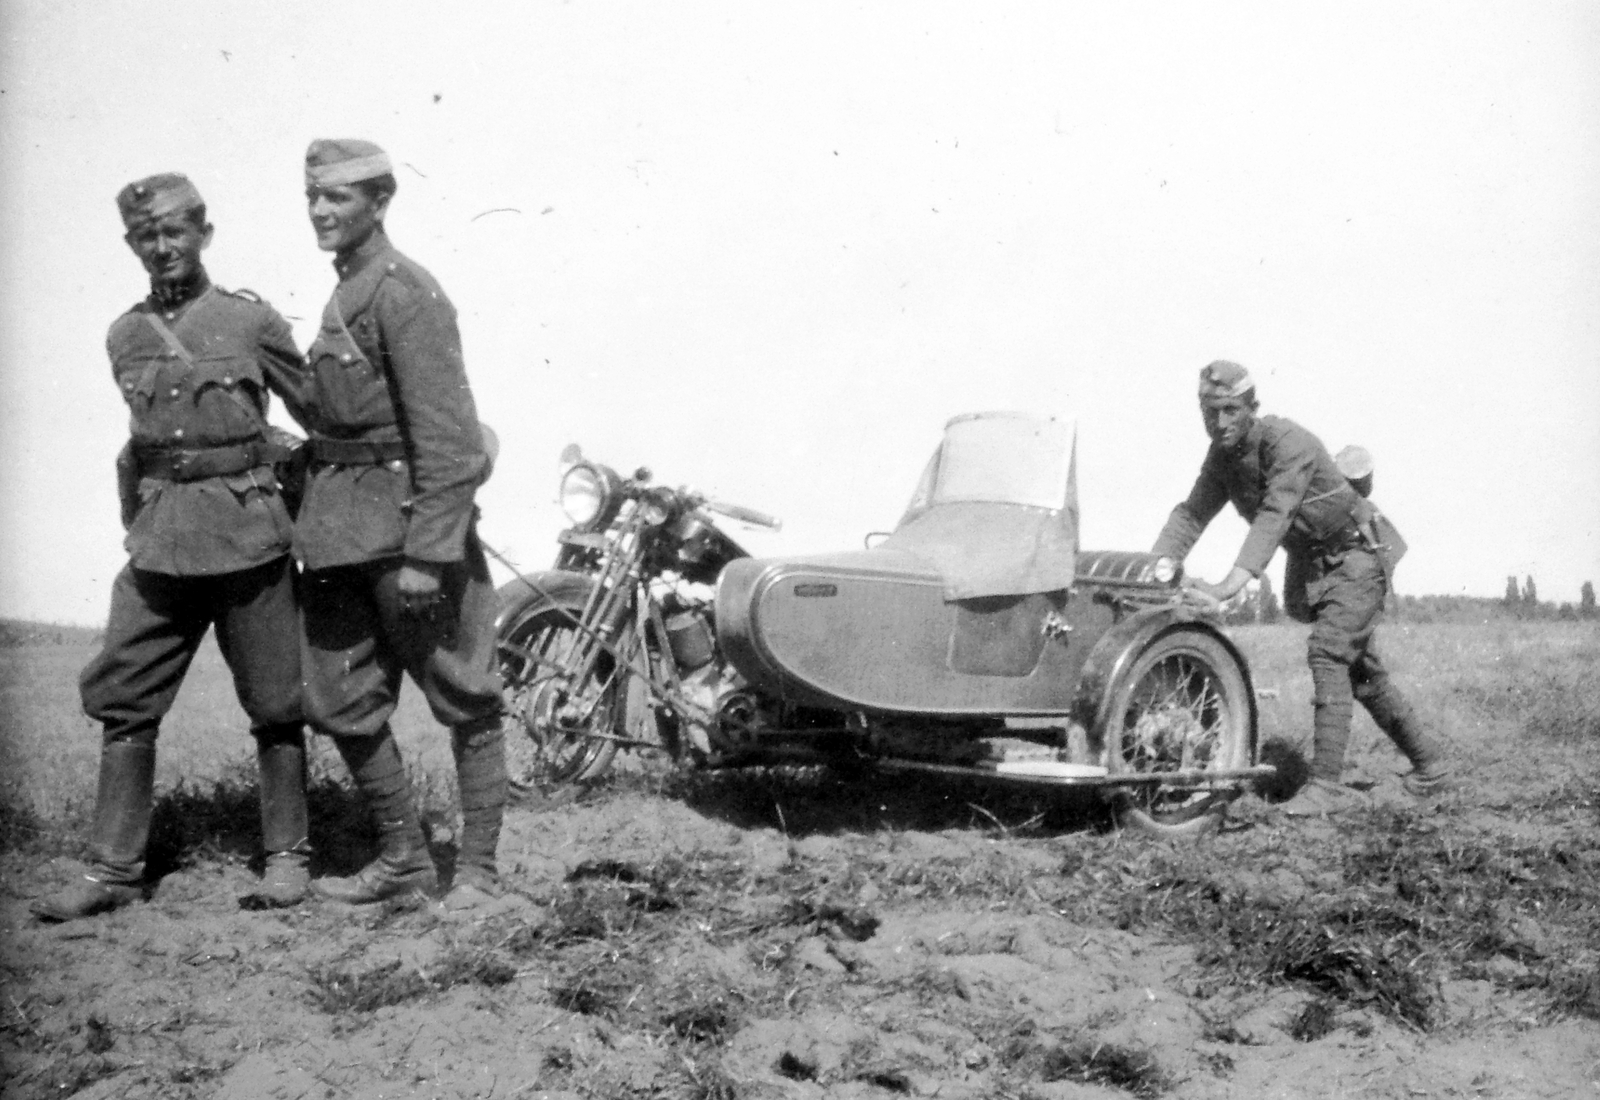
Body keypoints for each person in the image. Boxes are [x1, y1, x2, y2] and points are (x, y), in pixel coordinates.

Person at [33, 174, 311, 921]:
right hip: (161, 541)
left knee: (277, 703)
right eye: (146, 238)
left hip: (250, 537)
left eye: (176, 232)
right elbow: (141, 447)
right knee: (125, 697)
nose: (162, 248)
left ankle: (288, 856)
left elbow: (317, 409)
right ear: (132, 246)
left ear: (204, 234)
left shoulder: (250, 322)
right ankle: (113, 870)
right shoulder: (123, 334)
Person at [295, 139, 506, 909]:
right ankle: (406, 862)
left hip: (410, 539)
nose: (321, 210)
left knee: (463, 693)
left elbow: (451, 441)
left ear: (380, 202)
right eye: (313, 197)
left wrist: (427, 555)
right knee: (339, 700)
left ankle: (478, 874)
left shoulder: (404, 292)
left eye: (339, 198)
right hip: (340, 538)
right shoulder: (350, 292)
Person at [1151, 360, 1451, 817]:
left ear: (1252, 406)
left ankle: (1325, 786)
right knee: (1362, 673)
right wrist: (1157, 569)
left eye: (1231, 410)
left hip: (1356, 554)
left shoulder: (1290, 443)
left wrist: (1228, 587)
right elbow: (1192, 514)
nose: (1220, 422)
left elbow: (1276, 514)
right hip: (1316, 563)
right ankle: (1431, 768)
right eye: (1209, 411)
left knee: (1330, 653)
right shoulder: (1222, 459)